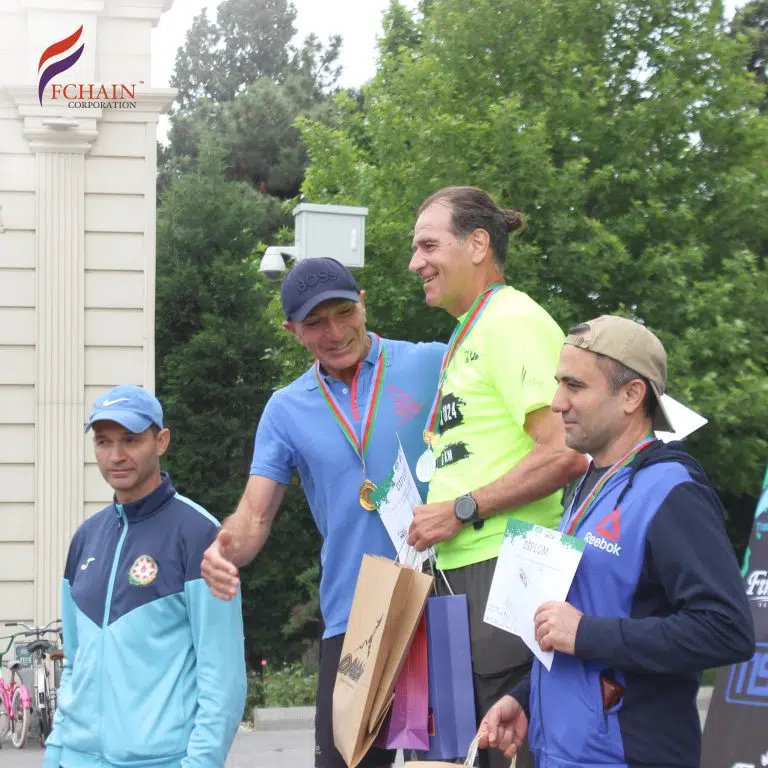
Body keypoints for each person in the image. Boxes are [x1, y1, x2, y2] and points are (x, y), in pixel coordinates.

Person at [478, 315, 756, 768]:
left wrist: (587, 633)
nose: (557, 402)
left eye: (574, 386)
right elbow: (581, 617)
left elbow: (727, 630)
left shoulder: (673, 491)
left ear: (631, 395)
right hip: (561, 753)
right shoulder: (591, 480)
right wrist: (525, 698)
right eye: (558, 384)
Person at [200, 257, 445, 768]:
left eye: (343, 312)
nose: (335, 333)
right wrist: (225, 550)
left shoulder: (432, 362)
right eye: (315, 322)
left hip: (443, 600)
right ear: (292, 331)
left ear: (363, 303)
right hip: (355, 614)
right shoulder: (285, 408)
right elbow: (255, 515)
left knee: (448, 763)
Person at [407, 185, 587, 768]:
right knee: (461, 754)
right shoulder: (472, 328)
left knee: (510, 750)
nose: (414, 263)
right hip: (460, 570)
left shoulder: (513, 320)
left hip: (506, 568)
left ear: (478, 244)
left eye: (428, 245)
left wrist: (460, 509)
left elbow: (565, 452)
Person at [44, 385, 246, 768]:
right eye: (104, 442)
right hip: (76, 758)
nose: (116, 455)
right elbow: (74, 663)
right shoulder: (85, 538)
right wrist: (56, 753)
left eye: (131, 440)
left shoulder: (199, 535)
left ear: (161, 441)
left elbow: (223, 678)